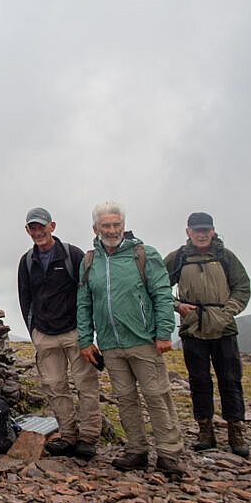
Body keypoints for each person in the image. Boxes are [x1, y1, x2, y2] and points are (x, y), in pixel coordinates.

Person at [76, 202, 185, 477]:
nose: (112, 230)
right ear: (95, 229)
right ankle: (136, 450)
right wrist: (86, 340)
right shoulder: (90, 261)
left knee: (157, 396)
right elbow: (84, 302)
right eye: (106, 226)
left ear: (123, 226)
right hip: (111, 345)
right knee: (125, 399)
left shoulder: (143, 254)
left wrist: (164, 333)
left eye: (116, 225)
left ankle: (169, 453)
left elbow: (162, 294)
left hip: (144, 341)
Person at [165, 212, 251, 457]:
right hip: (193, 329)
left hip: (224, 329)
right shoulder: (178, 258)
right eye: (197, 230)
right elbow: (158, 285)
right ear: (188, 232)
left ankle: (236, 431)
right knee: (199, 381)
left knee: (231, 380)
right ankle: (205, 431)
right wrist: (178, 306)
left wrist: (228, 312)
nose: (202, 234)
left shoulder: (226, 257)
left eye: (206, 230)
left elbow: (242, 287)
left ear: (213, 231)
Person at [17, 207, 101, 460]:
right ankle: (67, 435)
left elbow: (87, 293)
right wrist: (33, 332)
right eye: (33, 227)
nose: (38, 231)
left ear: (52, 226)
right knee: (55, 386)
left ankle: (88, 438)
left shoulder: (72, 255)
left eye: (42, 226)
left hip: (74, 331)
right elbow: (25, 298)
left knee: (85, 385)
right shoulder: (27, 261)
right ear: (27, 230)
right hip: (45, 334)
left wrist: (87, 331)